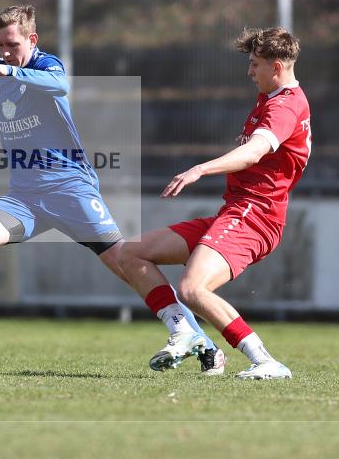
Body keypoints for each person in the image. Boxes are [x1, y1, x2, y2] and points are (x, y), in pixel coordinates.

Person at [0, 5, 223, 373]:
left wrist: (12, 71)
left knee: (127, 264)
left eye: (12, 44)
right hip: (24, 197)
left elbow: (61, 86)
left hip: (71, 191)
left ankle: (203, 342)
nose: (5, 52)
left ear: (32, 40)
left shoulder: (46, 66)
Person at [112, 27, 310, 379]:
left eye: (255, 64)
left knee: (192, 288)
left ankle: (264, 360)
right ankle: (186, 333)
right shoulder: (271, 98)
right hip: (235, 213)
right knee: (131, 254)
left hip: (254, 217)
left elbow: (253, 153)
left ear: (276, 67)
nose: (249, 71)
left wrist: (200, 169)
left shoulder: (284, 106)